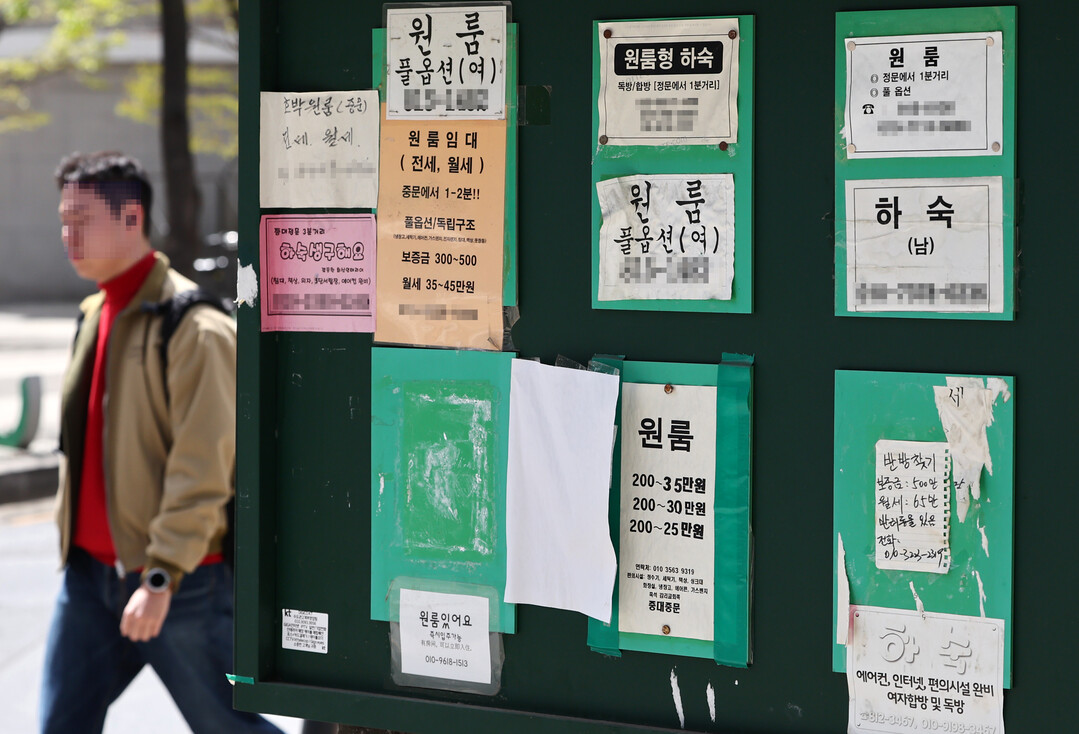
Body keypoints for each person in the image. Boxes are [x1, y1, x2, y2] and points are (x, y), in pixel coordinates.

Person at [40, 151, 281, 734]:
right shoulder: (95, 312)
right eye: (63, 219)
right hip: (89, 578)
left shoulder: (195, 327)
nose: (69, 234)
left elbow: (203, 468)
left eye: (83, 219)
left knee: (230, 729)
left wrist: (161, 575)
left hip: (177, 581)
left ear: (132, 218)